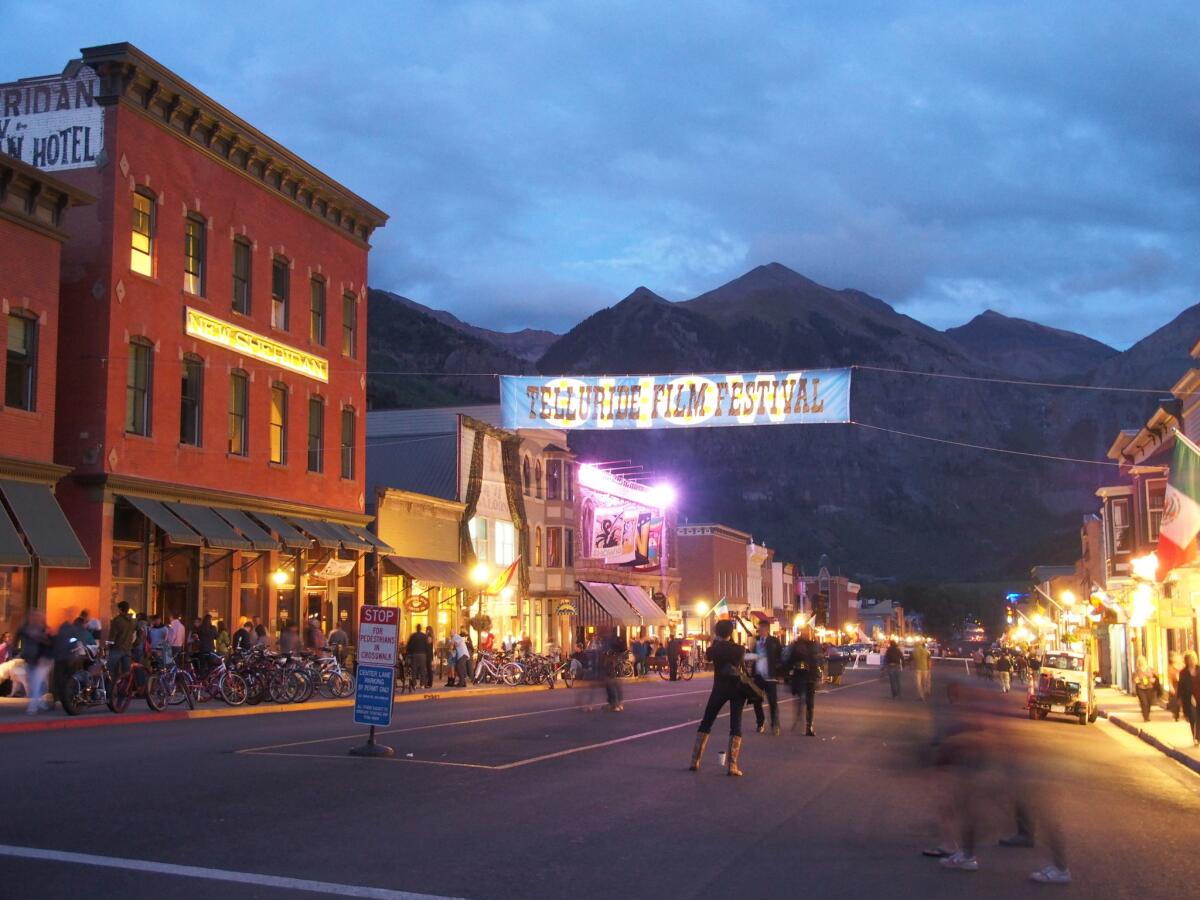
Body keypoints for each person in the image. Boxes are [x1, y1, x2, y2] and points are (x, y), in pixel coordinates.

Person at [689, 619, 749, 775]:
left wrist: (715, 642)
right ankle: (732, 765)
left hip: (719, 688)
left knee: (707, 721)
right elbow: (740, 662)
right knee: (735, 725)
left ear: (717, 633)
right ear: (731, 633)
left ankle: (695, 760)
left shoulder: (713, 650)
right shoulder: (739, 649)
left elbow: (708, 658)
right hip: (737, 689)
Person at [747, 619, 782, 735]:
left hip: (770, 676)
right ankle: (760, 722)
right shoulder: (756, 641)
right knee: (756, 700)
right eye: (759, 628)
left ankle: (775, 724)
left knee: (773, 702)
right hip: (758, 676)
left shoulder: (774, 641)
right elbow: (752, 656)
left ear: (767, 629)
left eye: (762, 628)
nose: (760, 631)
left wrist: (778, 672)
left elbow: (780, 656)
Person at [787, 626, 822, 736]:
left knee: (810, 703)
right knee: (800, 699)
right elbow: (790, 660)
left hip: (810, 677)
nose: (806, 634)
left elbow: (817, 661)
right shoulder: (796, 645)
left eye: (808, 632)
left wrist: (818, 676)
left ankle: (809, 726)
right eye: (804, 632)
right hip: (800, 676)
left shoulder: (814, 645)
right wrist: (786, 672)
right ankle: (800, 718)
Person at [107, 601, 136, 678]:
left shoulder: (117, 620)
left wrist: (108, 646)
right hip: (128, 649)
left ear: (120, 609)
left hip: (117, 649)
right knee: (126, 672)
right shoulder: (133, 621)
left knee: (109, 670)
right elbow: (137, 633)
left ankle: (109, 689)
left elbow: (112, 636)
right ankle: (123, 688)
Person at [1178, 652, 1199, 747]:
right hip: (1189, 699)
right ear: (1187, 661)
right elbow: (1180, 686)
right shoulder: (1183, 673)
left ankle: (1198, 736)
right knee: (1193, 718)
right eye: (1190, 660)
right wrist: (1179, 699)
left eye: (1194, 659)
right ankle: (1195, 737)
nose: (1192, 661)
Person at [1133, 657, 1156, 722]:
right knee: (1144, 702)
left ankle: (1147, 714)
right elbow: (1135, 679)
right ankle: (1145, 717)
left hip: (1149, 687)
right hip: (1141, 688)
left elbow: (1155, 676)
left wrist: (1153, 680)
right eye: (1140, 661)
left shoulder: (1150, 668)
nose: (1141, 662)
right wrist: (1136, 680)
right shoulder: (1137, 670)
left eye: (1142, 660)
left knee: (1149, 702)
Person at [1167, 651, 1184, 722]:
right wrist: (1170, 687)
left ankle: (1185, 714)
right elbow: (1170, 678)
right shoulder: (1171, 668)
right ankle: (1176, 714)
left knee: (1184, 701)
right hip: (1176, 687)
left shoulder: (1183, 667)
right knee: (1176, 702)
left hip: (1183, 686)